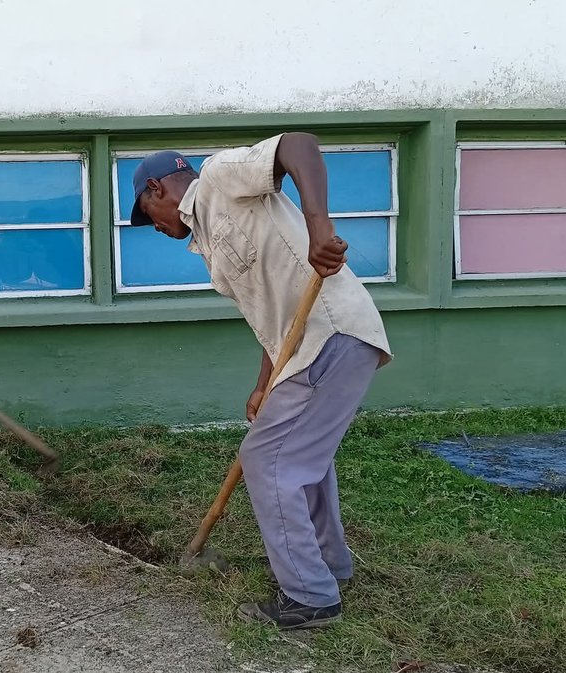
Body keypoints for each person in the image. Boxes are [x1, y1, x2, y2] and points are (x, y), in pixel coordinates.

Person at [130, 134, 392, 629]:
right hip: (303, 350)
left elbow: (298, 146)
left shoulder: (219, 179)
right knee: (303, 460)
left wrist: (320, 229)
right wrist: (262, 383)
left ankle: (312, 598)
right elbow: (271, 314)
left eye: (149, 216)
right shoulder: (207, 235)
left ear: (156, 189)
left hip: (330, 332)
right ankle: (330, 567)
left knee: (268, 460)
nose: (156, 228)